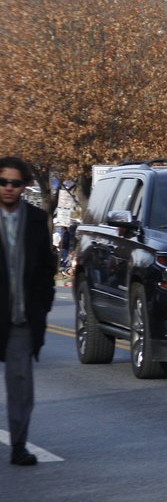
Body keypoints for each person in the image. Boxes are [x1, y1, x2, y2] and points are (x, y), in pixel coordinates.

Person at [0, 157, 56, 466]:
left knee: (21, 385)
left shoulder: (35, 219)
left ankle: (18, 445)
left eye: (15, 183)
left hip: (20, 317)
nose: (8, 188)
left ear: (24, 186)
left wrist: (42, 304)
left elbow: (46, 268)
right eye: (3, 182)